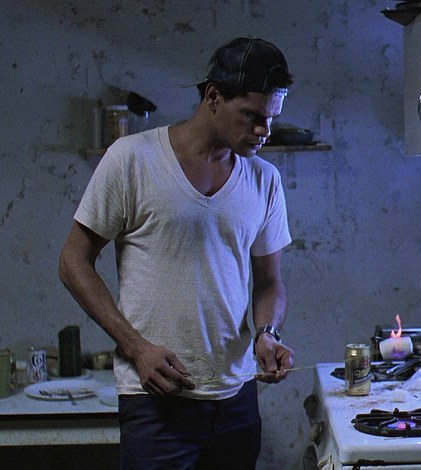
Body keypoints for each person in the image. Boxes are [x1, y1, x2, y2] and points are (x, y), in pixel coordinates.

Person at [58, 37, 295, 470]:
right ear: (213, 97)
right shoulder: (132, 159)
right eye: (252, 116)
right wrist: (136, 348)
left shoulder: (264, 180)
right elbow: (73, 263)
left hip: (237, 399)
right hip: (156, 397)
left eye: (271, 119)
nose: (264, 130)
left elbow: (269, 281)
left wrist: (268, 334)